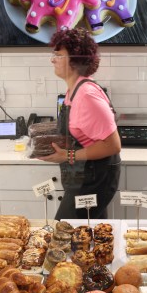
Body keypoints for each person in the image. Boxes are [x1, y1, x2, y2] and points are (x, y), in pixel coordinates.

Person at [38, 28, 121, 220]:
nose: (53, 59)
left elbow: (113, 145)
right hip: (82, 176)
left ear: (75, 60)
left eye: (58, 55)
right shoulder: (73, 91)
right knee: (92, 235)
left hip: (93, 178)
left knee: (65, 234)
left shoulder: (87, 95)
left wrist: (67, 155)